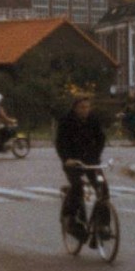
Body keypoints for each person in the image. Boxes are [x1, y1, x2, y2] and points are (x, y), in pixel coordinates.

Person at [56, 95, 109, 241]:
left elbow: (100, 138)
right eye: (82, 107)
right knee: (78, 186)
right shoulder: (66, 120)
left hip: (90, 160)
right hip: (72, 161)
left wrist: (96, 155)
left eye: (87, 107)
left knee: (102, 186)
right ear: (75, 108)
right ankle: (70, 218)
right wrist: (67, 159)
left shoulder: (93, 119)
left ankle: (103, 225)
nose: (85, 110)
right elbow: (60, 142)